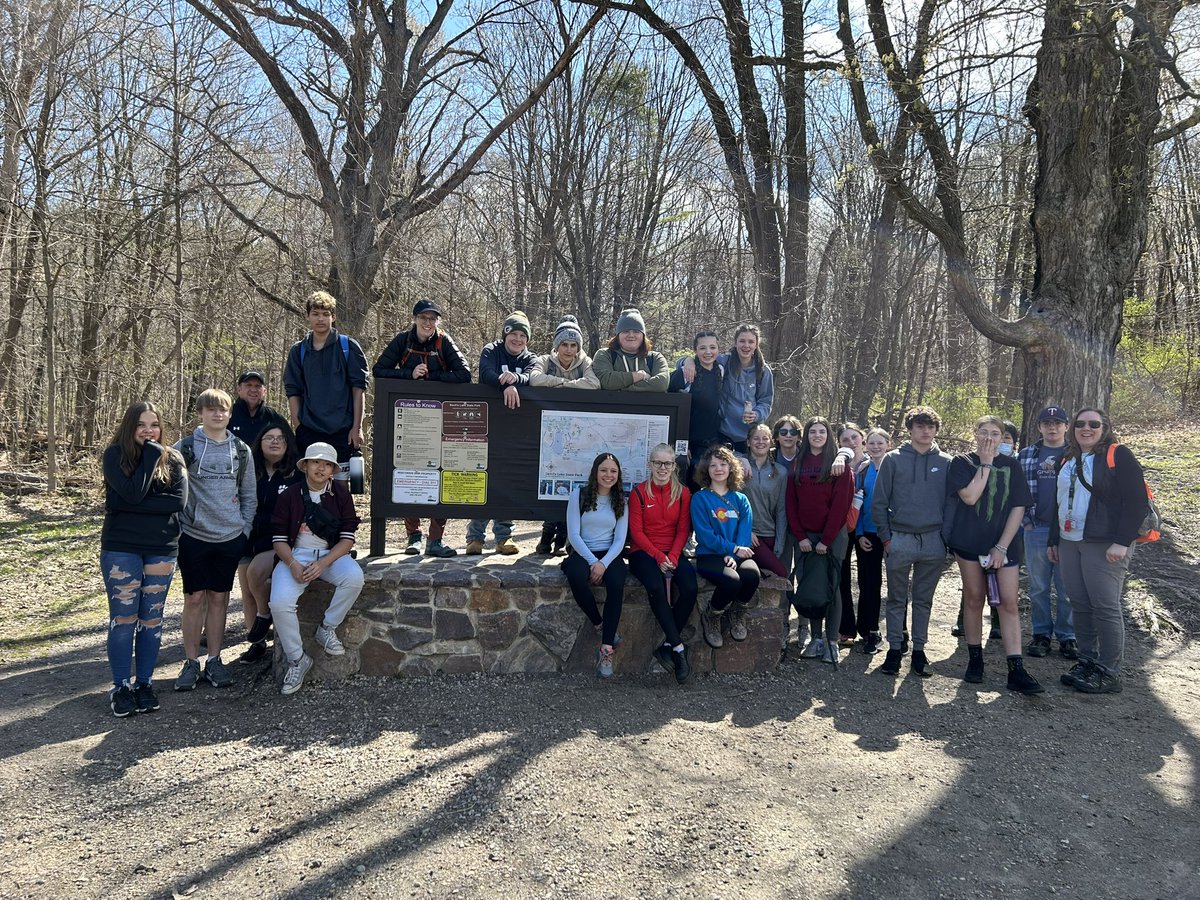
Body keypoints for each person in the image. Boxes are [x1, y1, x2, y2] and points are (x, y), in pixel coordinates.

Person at [1048, 408, 1148, 695]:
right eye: (1080, 424)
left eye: (1094, 424)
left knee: (1105, 606)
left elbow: (1137, 502)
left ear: (1105, 427)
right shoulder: (1067, 458)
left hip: (1104, 542)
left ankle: (1109, 670)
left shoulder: (1118, 455)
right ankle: (1087, 660)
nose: (1086, 428)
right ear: (1073, 428)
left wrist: (1122, 540)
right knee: (1079, 603)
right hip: (1070, 541)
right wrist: (1054, 540)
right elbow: (1059, 503)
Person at [100, 402, 188, 716]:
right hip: (121, 547)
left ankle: (145, 683)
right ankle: (121, 686)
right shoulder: (114, 456)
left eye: (154, 425)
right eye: (141, 425)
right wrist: (150, 460)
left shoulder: (174, 458)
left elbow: (177, 502)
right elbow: (135, 495)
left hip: (162, 548)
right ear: (129, 427)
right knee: (124, 619)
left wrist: (130, 501)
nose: (148, 431)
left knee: (151, 620)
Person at [944, 416, 1043, 694]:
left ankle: (1016, 668)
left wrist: (1001, 547)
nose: (989, 437)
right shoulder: (961, 462)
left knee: (1008, 603)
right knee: (974, 599)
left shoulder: (1012, 465)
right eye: (984, 432)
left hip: (1004, 544)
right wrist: (986, 463)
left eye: (995, 433)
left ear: (1003, 438)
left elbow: (1018, 507)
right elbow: (970, 497)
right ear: (975, 434)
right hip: (969, 542)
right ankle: (975, 660)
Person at [172, 389, 257, 691]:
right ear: (201, 413)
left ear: (230, 414)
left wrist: (243, 528)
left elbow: (248, 495)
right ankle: (191, 662)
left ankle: (214, 660)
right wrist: (180, 528)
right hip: (193, 536)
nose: (217, 414)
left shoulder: (241, 451)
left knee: (219, 598)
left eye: (222, 409)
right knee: (195, 598)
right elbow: (169, 489)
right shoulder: (184, 448)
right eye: (211, 410)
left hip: (229, 536)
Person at [373, 298, 470, 558]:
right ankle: (413, 537)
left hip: (441, 423)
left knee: (444, 475)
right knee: (408, 474)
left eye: (432, 318)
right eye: (423, 318)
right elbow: (378, 370)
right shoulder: (402, 341)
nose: (428, 323)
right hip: (410, 420)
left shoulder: (444, 342)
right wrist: (408, 374)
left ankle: (435, 540)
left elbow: (464, 374)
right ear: (415, 319)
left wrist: (431, 377)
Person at [268, 442, 364, 695]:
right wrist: (292, 565)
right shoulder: (289, 495)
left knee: (354, 578)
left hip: (329, 555)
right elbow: (278, 538)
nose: (321, 468)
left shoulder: (340, 495)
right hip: (295, 555)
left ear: (333, 469)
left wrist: (323, 563)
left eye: (327, 464)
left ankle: (327, 628)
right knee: (279, 603)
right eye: (316, 462)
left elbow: (347, 538)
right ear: (306, 466)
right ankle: (297, 659)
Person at [871, 406, 951, 678]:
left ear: (936, 430)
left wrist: (946, 540)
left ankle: (919, 651)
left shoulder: (947, 462)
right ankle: (895, 649)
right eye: (919, 426)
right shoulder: (893, 460)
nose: (925, 431)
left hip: (933, 540)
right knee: (896, 598)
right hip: (900, 539)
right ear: (910, 429)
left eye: (930, 427)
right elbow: (879, 502)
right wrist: (886, 538)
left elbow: (952, 504)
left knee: (923, 599)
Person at [786, 416, 855, 668]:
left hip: (832, 537)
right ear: (807, 436)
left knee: (832, 587)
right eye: (813, 431)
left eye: (822, 432)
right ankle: (815, 639)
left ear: (828, 436)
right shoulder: (797, 464)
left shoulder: (838, 466)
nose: (817, 435)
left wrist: (826, 540)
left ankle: (832, 641)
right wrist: (801, 536)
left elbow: (841, 506)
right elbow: (790, 504)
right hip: (805, 537)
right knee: (810, 586)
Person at [467, 311, 537, 555]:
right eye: (513, 333)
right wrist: (505, 383)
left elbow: (532, 377)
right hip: (486, 426)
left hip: (515, 430)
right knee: (481, 478)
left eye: (522, 335)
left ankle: (504, 537)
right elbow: (485, 373)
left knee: (507, 482)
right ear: (506, 334)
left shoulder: (531, 358)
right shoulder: (491, 350)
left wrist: (516, 378)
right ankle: (474, 537)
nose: (517, 339)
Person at [530, 315, 599, 554]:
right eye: (564, 345)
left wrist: (561, 386)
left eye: (573, 345)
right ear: (557, 345)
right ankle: (546, 534)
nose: (569, 350)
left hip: (578, 432)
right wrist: (565, 381)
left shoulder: (585, 362)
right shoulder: (544, 360)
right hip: (550, 431)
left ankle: (564, 537)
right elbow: (535, 379)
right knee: (550, 479)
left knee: (573, 485)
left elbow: (593, 384)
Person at [628, 444, 696, 684]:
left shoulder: (683, 493)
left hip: (674, 552)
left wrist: (674, 556)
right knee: (656, 587)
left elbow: (683, 529)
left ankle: (667, 645)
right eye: (658, 462)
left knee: (689, 587)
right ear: (650, 465)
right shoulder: (638, 493)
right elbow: (636, 533)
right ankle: (678, 647)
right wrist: (658, 557)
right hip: (643, 553)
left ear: (674, 466)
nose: (662, 468)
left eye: (667, 463)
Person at [236, 423, 301, 665]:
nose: (275, 442)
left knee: (255, 574)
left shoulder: (295, 474)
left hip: (278, 540)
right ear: (259, 443)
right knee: (247, 592)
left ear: (287, 445)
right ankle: (257, 644)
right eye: (269, 438)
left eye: (280, 439)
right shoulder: (248, 471)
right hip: (248, 538)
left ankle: (265, 615)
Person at [562, 452, 630, 679]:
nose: (608, 475)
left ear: (618, 475)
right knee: (575, 576)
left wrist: (604, 563)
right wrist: (593, 562)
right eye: (604, 470)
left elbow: (620, 539)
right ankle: (599, 623)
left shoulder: (621, 500)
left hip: (609, 553)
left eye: (613, 471)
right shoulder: (578, 495)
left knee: (617, 583)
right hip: (583, 550)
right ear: (595, 472)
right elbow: (573, 534)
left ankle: (607, 648)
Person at [283, 290, 369, 463]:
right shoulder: (298, 351)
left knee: (340, 484)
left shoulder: (348, 347)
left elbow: (358, 389)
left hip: (343, 430)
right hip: (309, 429)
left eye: (325, 314)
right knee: (311, 482)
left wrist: (356, 427)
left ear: (333, 317)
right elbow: (293, 391)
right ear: (307, 316)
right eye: (315, 314)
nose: (320, 319)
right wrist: (299, 427)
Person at [1019, 406, 1077, 659]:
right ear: (1039, 427)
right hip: (1036, 528)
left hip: (1069, 530)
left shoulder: (1077, 454)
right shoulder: (1027, 454)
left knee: (1067, 588)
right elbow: (1016, 491)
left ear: (1066, 427)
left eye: (1057, 423)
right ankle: (1041, 634)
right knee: (1039, 587)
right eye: (1047, 423)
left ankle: (1068, 636)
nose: (1052, 427)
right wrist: (1026, 521)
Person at [692, 445, 761, 649]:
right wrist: (730, 550)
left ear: (731, 468)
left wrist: (734, 554)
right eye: (713, 465)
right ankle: (712, 616)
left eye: (723, 464)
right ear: (706, 470)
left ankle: (737, 612)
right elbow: (705, 535)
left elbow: (745, 532)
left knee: (751, 575)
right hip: (709, 555)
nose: (718, 469)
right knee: (731, 581)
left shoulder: (741, 499)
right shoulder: (700, 498)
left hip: (738, 553)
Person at [668, 329, 724, 490]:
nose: (708, 352)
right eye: (703, 348)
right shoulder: (685, 374)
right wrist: (681, 445)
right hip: (690, 448)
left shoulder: (720, 371)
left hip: (713, 445)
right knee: (688, 490)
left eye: (712, 347)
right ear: (695, 351)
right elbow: (671, 410)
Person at [852, 428, 891, 654]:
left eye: (880, 443)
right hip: (867, 533)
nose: (876, 447)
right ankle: (870, 631)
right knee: (868, 583)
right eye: (872, 443)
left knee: (895, 586)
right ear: (866, 445)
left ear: (888, 444)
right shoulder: (862, 470)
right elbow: (857, 502)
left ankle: (900, 634)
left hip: (891, 535)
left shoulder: (894, 467)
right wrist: (859, 533)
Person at [738, 424, 789, 578]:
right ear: (748, 442)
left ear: (771, 442)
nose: (760, 442)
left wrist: (779, 544)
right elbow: (730, 502)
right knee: (781, 573)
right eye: (756, 438)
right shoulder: (737, 467)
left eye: (765, 438)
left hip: (770, 534)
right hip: (750, 536)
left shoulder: (781, 472)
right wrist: (746, 531)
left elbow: (781, 510)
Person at [836, 423, 866, 647]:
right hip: (844, 527)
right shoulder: (838, 465)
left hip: (868, 528)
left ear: (862, 439)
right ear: (839, 444)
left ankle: (867, 629)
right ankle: (845, 627)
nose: (851, 442)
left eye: (854, 437)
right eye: (845, 439)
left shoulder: (874, 463)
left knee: (867, 579)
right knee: (842, 578)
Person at [592, 308, 669, 392]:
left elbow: (661, 384)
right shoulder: (604, 355)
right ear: (618, 336)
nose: (631, 335)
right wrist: (639, 375)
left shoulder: (655, 358)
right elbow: (606, 381)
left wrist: (622, 388)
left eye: (636, 331)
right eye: (625, 331)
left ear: (643, 336)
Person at [227, 370, 287, 446]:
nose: (253, 390)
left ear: (264, 391)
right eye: (248, 385)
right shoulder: (228, 415)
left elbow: (291, 445)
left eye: (257, 386)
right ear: (239, 389)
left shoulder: (273, 417)